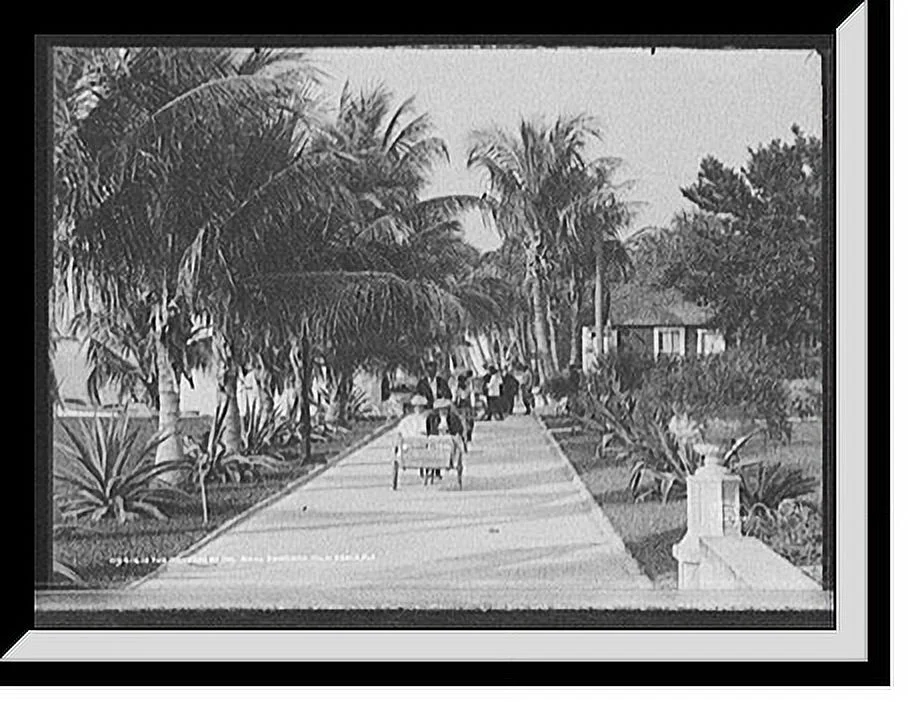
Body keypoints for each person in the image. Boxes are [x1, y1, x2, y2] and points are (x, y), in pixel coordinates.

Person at [425, 398, 465, 479]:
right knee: (432, 445)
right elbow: (430, 430)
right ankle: (434, 467)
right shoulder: (433, 418)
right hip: (437, 439)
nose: (443, 411)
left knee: (450, 443)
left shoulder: (453, 418)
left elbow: (458, 430)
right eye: (441, 409)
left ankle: (449, 461)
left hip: (449, 439)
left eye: (445, 409)